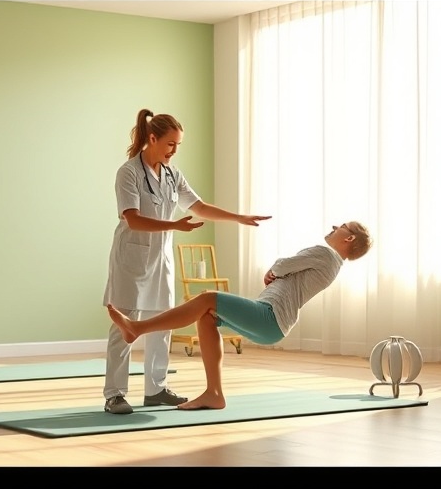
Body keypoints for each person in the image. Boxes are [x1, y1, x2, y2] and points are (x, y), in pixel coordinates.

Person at [102, 108, 272, 415]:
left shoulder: (171, 173)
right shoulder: (127, 173)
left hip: (160, 260)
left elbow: (199, 206)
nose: (174, 151)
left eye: (177, 145)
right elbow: (133, 220)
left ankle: (156, 389)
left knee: (161, 324)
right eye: (170, 144)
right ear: (152, 138)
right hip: (130, 258)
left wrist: (238, 218)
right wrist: (176, 226)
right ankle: (115, 394)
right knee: (124, 326)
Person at [107, 221, 373, 411]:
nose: (335, 225)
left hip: (270, 317)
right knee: (207, 315)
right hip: (273, 323)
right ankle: (214, 394)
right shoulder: (332, 264)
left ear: (348, 239)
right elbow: (285, 270)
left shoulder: (324, 253)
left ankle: (138, 328)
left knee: (207, 298)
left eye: (342, 226)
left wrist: (273, 270)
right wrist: (276, 272)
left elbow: (282, 265)